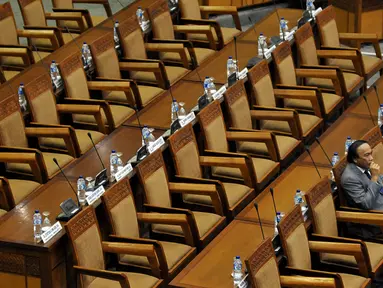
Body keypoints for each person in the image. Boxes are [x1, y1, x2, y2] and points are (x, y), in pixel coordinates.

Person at [341, 140, 383, 238]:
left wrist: (377, 178)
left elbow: (380, 181)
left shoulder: (364, 164)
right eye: (367, 155)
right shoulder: (349, 178)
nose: (371, 158)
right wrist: (374, 178)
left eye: (371, 153)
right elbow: (366, 204)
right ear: (355, 159)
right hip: (373, 221)